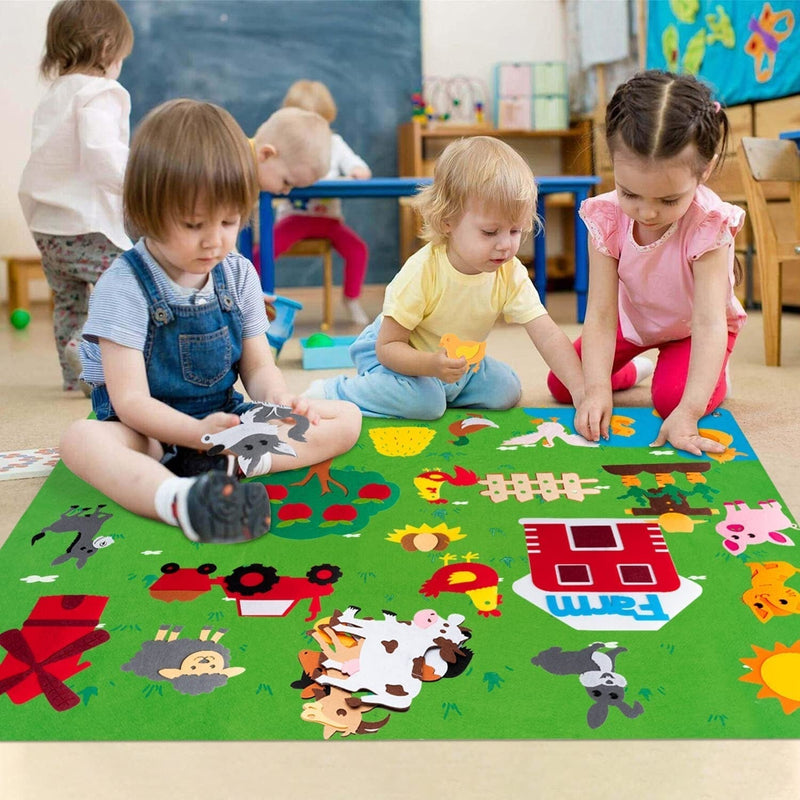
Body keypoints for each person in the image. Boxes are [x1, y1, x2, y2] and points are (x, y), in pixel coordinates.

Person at [59, 99, 362, 545]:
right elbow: (130, 403)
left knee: (347, 417)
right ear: (148, 209)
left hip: (224, 425)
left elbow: (258, 368)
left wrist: (279, 401)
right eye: (193, 223)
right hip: (148, 435)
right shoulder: (123, 285)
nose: (214, 240)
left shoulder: (237, 272)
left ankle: (219, 466)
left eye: (228, 221)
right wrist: (194, 434)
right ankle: (177, 497)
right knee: (80, 440)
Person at [305, 136, 585, 419]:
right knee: (427, 405)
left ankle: (437, 389)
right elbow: (388, 347)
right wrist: (429, 366)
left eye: (515, 231)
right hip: (397, 355)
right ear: (447, 221)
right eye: (489, 232)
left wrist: (581, 391)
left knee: (506, 390)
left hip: (453, 361)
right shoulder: (423, 271)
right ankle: (335, 392)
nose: (505, 245)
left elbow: (547, 334)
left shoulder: (509, 271)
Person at [547, 70, 746, 456]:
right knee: (566, 383)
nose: (647, 212)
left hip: (693, 331)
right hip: (632, 323)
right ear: (613, 164)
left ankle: (713, 374)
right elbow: (602, 314)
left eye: (669, 200)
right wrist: (598, 388)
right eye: (630, 193)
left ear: (704, 170)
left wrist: (689, 411)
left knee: (672, 400)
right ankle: (638, 368)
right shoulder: (605, 217)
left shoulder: (709, 223)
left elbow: (709, 322)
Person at [18, 0, 134, 394]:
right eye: (120, 55)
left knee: (68, 303)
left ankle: (73, 374)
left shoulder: (55, 94)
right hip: (89, 226)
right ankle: (91, 359)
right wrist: (136, 183)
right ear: (105, 48)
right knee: (120, 290)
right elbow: (103, 152)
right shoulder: (101, 91)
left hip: (46, 227)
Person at [274, 80, 372, 325]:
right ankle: (255, 299)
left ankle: (351, 299)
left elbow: (359, 167)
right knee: (262, 252)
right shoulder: (286, 144)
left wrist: (358, 170)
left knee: (357, 250)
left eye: (321, 122)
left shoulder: (334, 143)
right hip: (295, 220)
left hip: (328, 221)